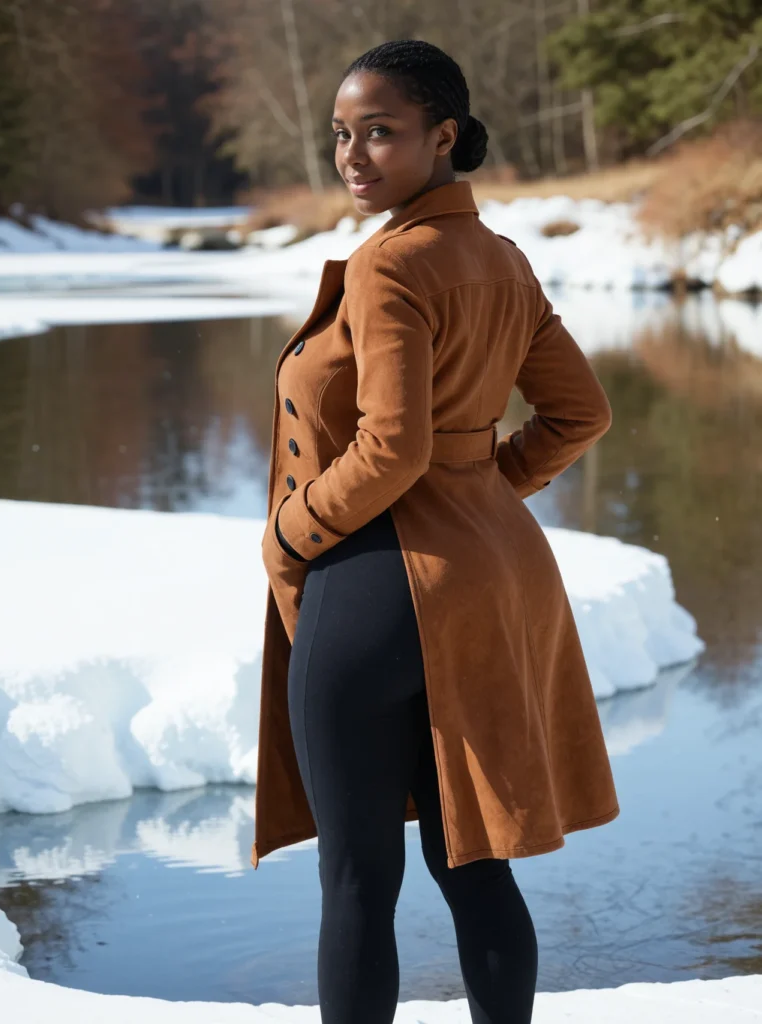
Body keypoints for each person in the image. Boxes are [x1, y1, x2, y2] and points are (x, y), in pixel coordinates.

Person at [253, 38, 620, 1024]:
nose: (353, 154)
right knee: (473, 862)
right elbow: (578, 414)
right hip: (487, 584)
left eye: (380, 131)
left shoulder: (389, 265)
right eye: (341, 134)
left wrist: (289, 534)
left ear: (442, 136)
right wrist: (487, 488)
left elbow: (389, 450)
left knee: (356, 881)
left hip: (374, 582)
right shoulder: (498, 260)